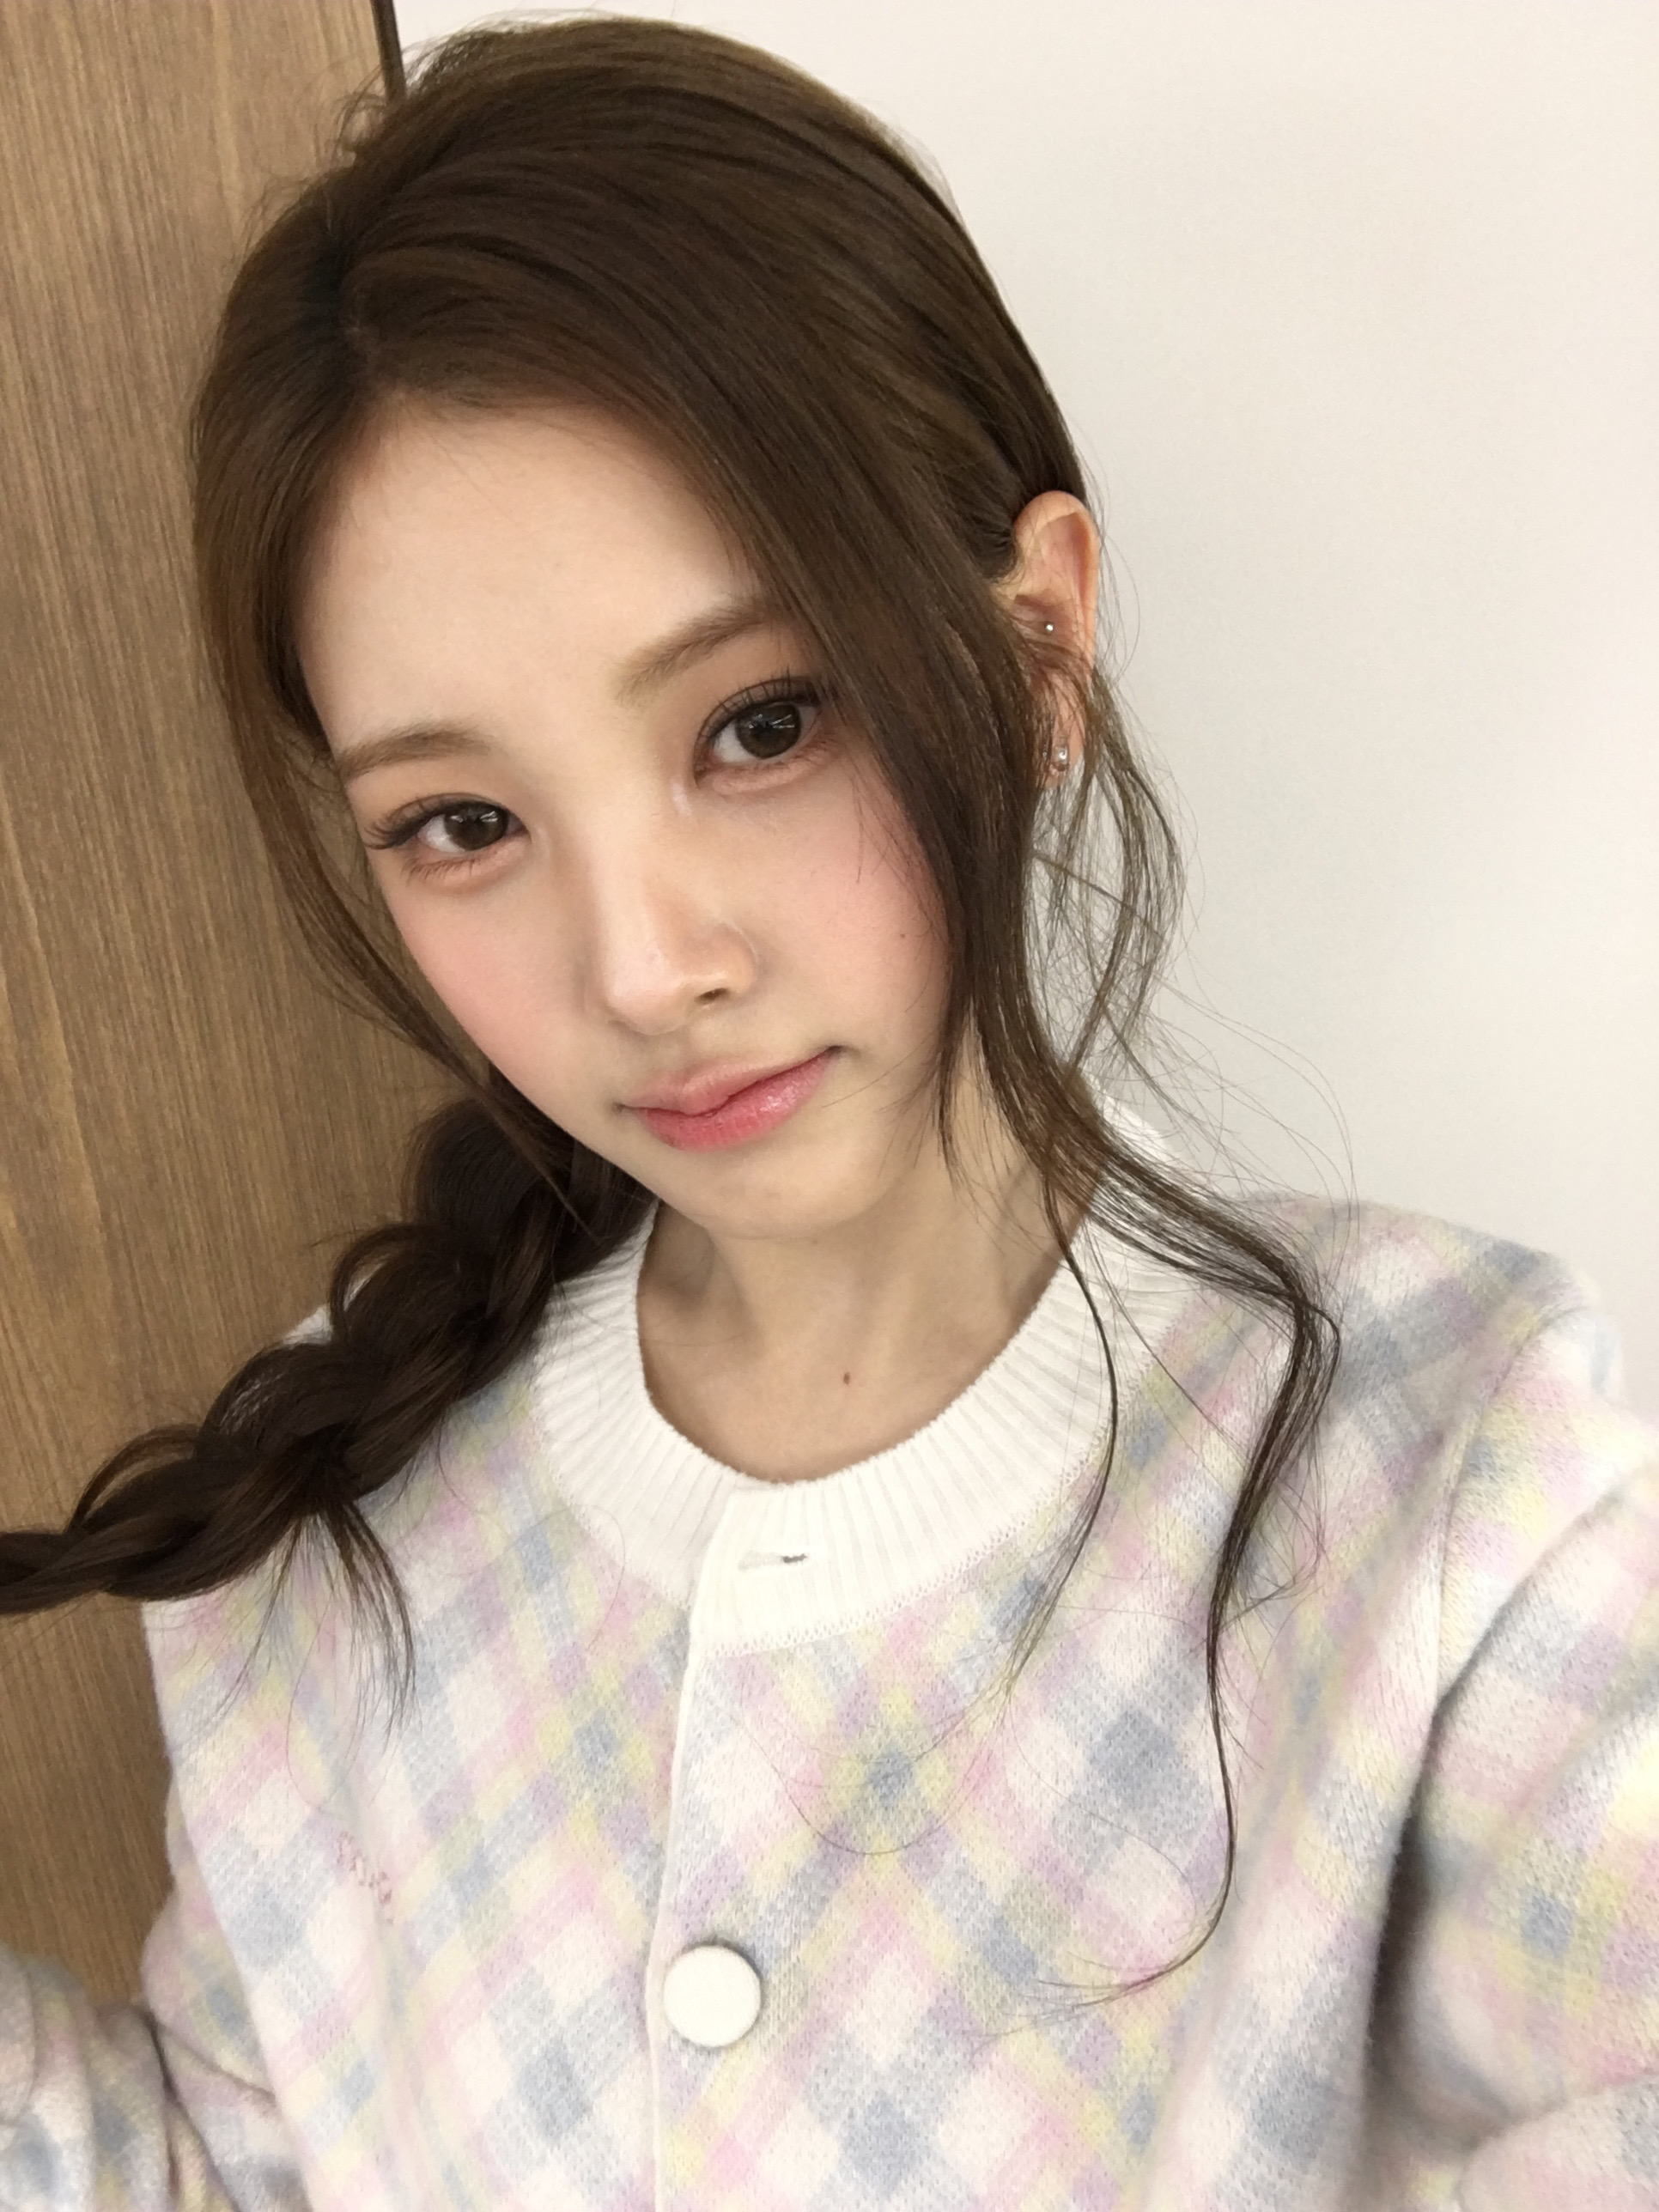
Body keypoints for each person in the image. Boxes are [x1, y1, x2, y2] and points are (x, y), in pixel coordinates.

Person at [2, 17, 1655, 2209]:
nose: (640, 965)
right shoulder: (332, 1512)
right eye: (464, 821)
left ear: (1037, 652)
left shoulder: (1452, 1489)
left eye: (762, 722)